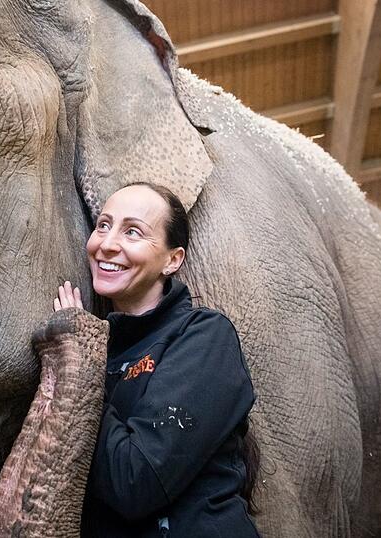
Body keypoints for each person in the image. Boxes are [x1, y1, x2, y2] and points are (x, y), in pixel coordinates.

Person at [54, 183, 260, 537]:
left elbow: (136, 481)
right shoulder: (103, 349)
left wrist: (79, 363)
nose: (107, 243)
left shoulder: (204, 337)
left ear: (172, 259)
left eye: (132, 231)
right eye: (103, 225)